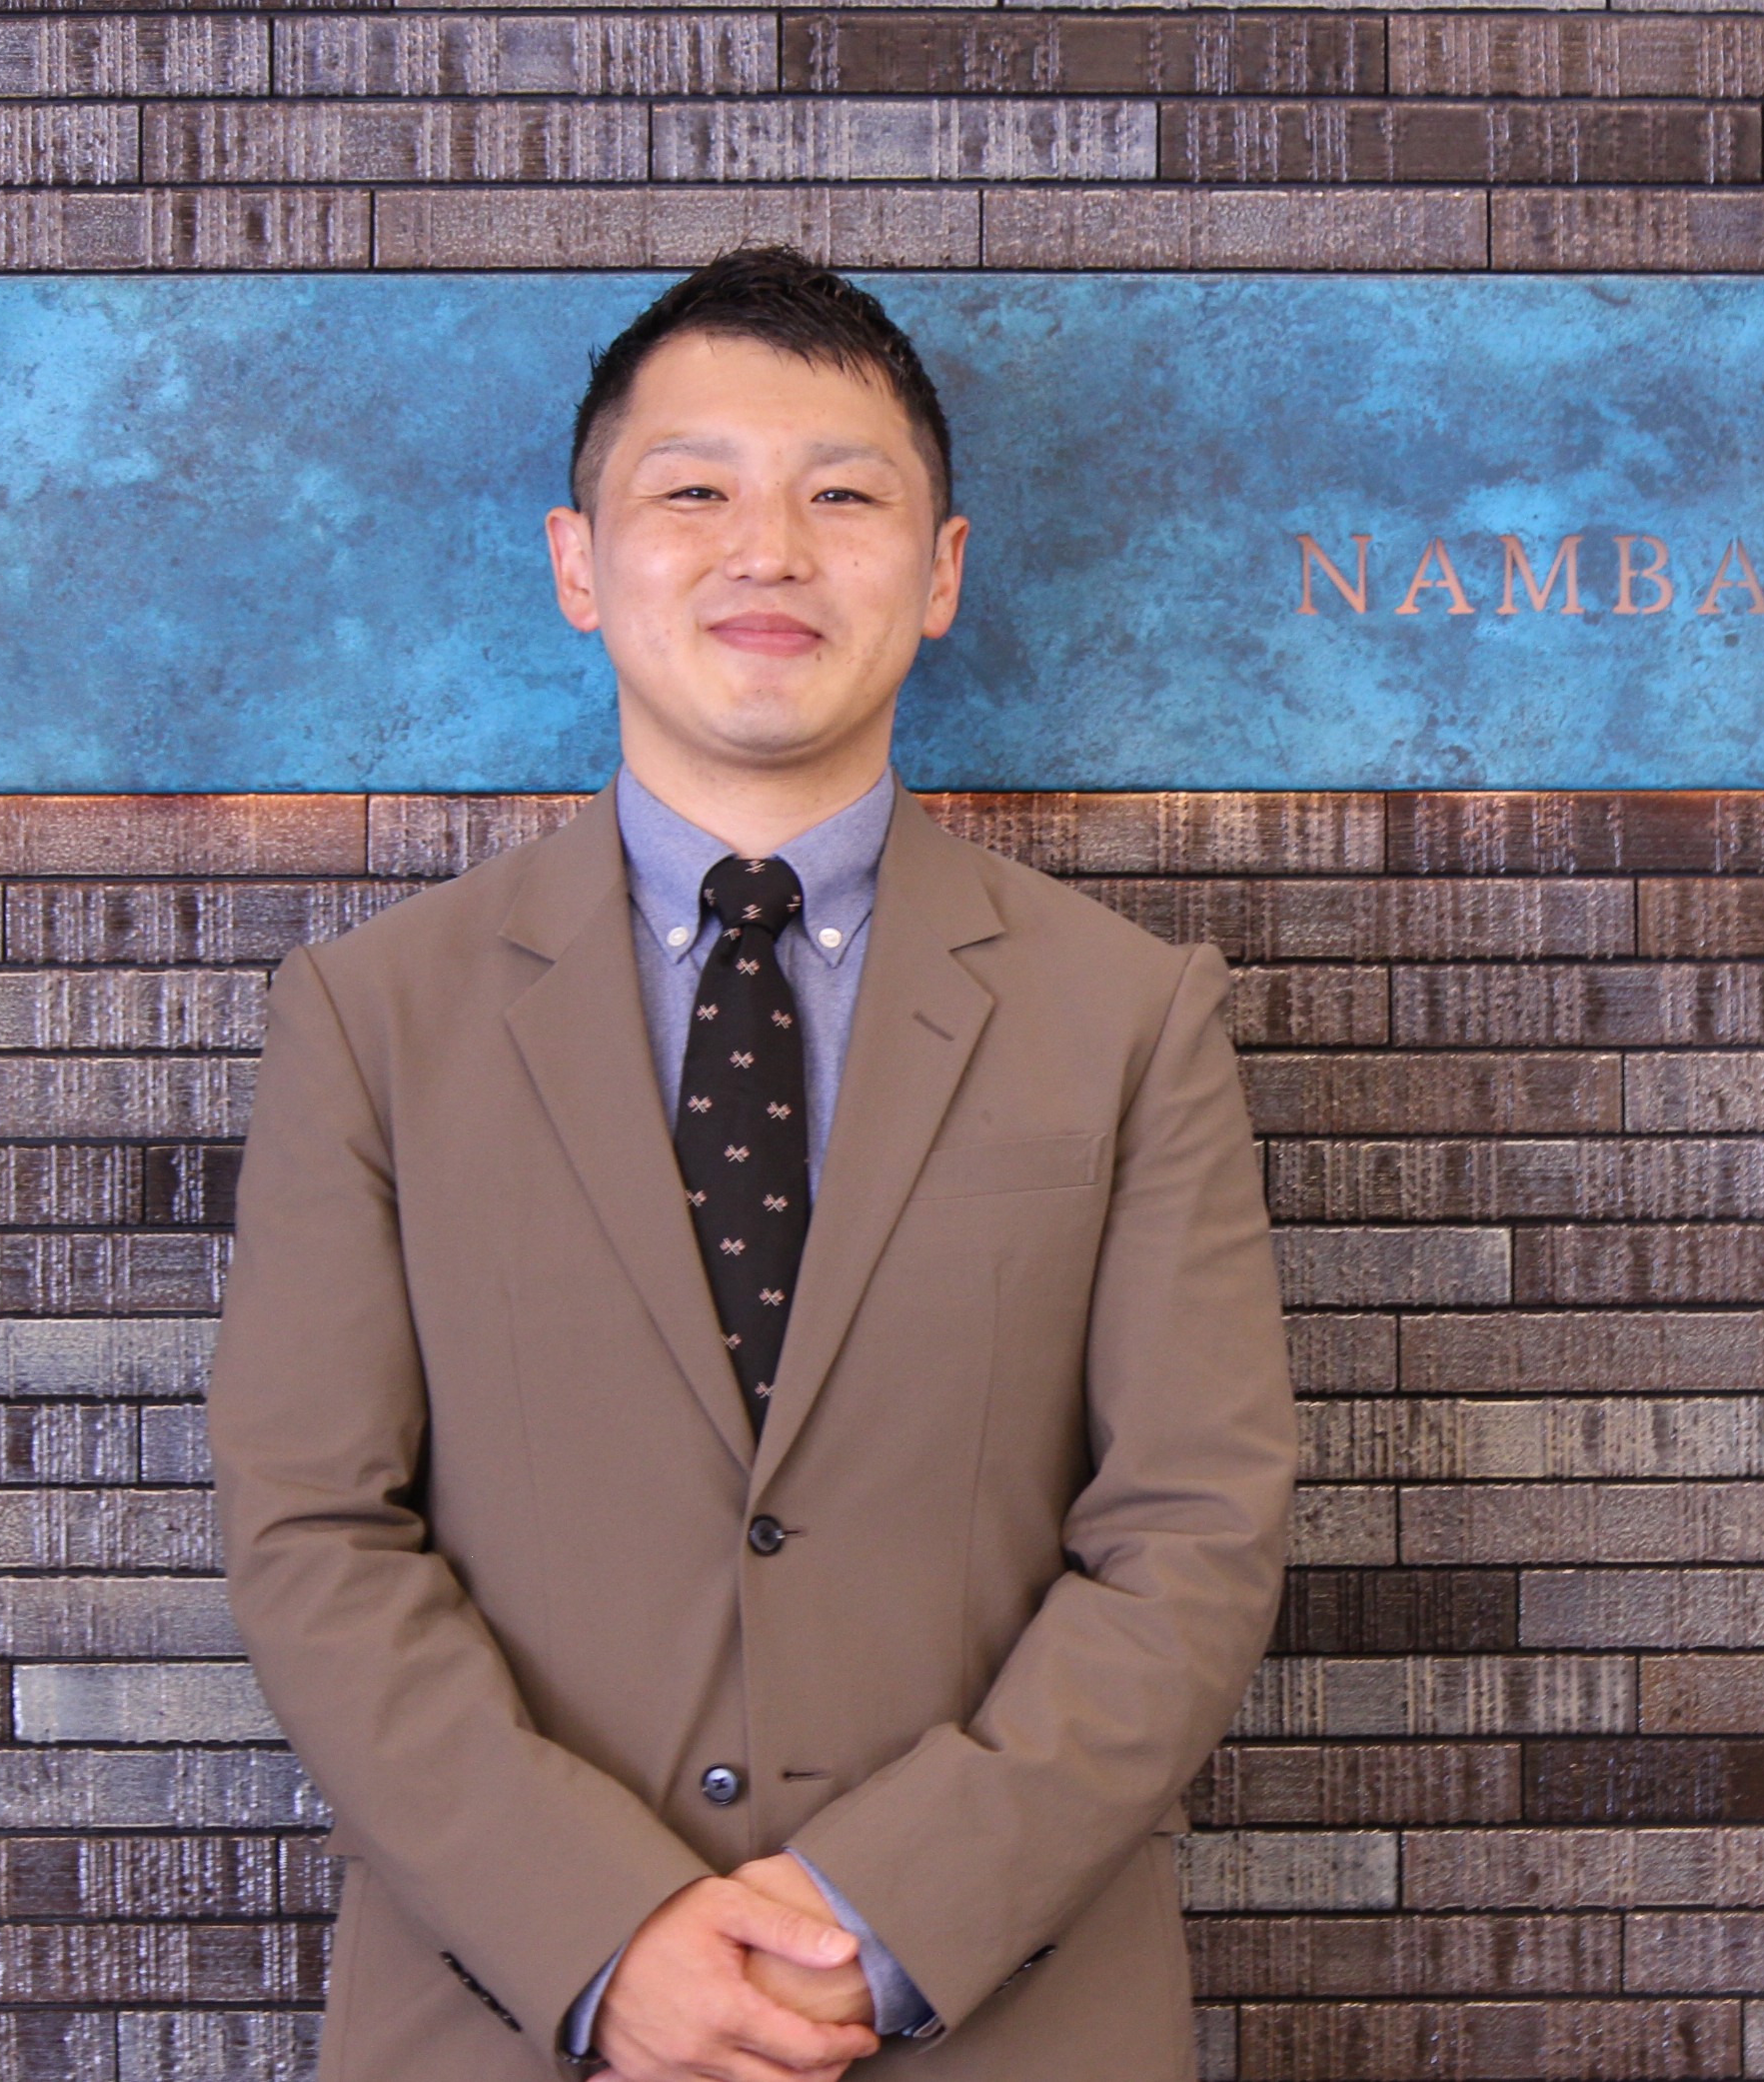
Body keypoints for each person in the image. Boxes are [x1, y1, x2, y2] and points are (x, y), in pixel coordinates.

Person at [208, 248, 1297, 2082]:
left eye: (843, 497)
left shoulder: (1129, 1015)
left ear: (941, 572)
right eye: (694, 492)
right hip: (511, 2019)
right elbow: (315, 1531)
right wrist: (600, 1933)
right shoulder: (373, 1017)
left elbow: (1195, 1530)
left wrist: (885, 1916)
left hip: (996, 2016)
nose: (769, 551)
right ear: (579, 563)